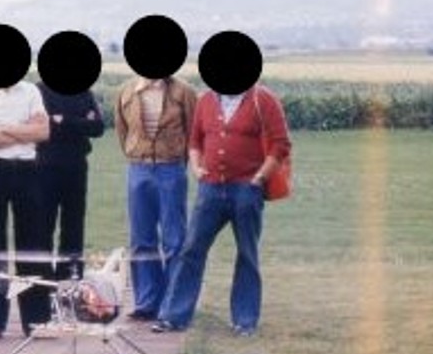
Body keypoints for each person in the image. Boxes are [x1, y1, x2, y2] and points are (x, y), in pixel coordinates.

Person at [152, 83, 291, 336]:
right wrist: (196, 168)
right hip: (211, 190)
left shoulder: (264, 100)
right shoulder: (206, 100)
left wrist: (260, 178)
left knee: (247, 253)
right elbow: (195, 141)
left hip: (246, 191)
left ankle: (244, 322)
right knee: (191, 250)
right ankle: (174, 317)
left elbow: (281, 145)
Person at [0, 77, 52, 339]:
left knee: (34, 244)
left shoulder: (30, 91)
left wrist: (4, 129)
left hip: (29, 169)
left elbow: (43, 132)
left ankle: (37, 320)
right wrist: (24, 130)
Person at [114, 74, 198, 321]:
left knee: (175, 239)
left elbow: (193, 132)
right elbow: (122, 131)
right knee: (141, 239)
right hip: (138, 169)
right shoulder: (126, 90)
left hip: (171, 169)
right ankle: (147, 302)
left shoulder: (184, 91)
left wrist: (180, 162)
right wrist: (136, 155)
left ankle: (174, 303)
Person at [35, 81, 105, 280]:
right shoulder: (40, 91)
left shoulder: (84, 92)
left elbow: (98, 127)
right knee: (43, 223)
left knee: (74, 223)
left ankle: (69, 276)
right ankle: (43, 276)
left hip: (76, 165)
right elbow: (41, 125)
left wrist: (62, 120)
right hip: (44, 165)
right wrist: (81, 122)